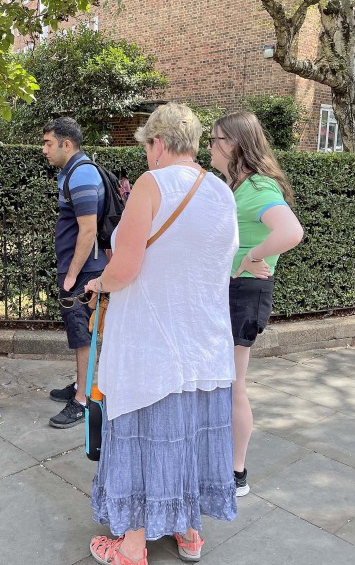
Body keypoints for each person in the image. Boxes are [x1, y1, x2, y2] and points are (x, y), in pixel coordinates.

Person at [82, 103, 238, 565]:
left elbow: (125, 268)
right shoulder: (221, 191)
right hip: (206, 344)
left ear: (158, 143)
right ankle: (189, 533)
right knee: (190, 436)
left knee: (142, 438)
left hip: (152, 343)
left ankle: (132, 547)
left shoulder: (151, 185)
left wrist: (98, 283)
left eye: (147, 146)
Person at [208, 112, 303, 497]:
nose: (209, 148)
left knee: (234, 384)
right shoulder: (237, 185)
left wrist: (253, 256)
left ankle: (236, 473)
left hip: (244, 291)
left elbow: (291, 231)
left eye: (214, 140)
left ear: (233, 144)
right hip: (231, 290)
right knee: (224, 382)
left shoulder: (259, 186)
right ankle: (224, 462)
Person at [42, 117, 106, 428]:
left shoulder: (81, 175)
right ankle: (81, 383)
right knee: (80, 332)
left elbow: (88, 230)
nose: (44, 150)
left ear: (67, 144)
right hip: (80, 269)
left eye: (48, 143)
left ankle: (82, 401)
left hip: (83, 272)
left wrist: (71, 275)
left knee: (83, 335)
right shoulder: (73, 171)